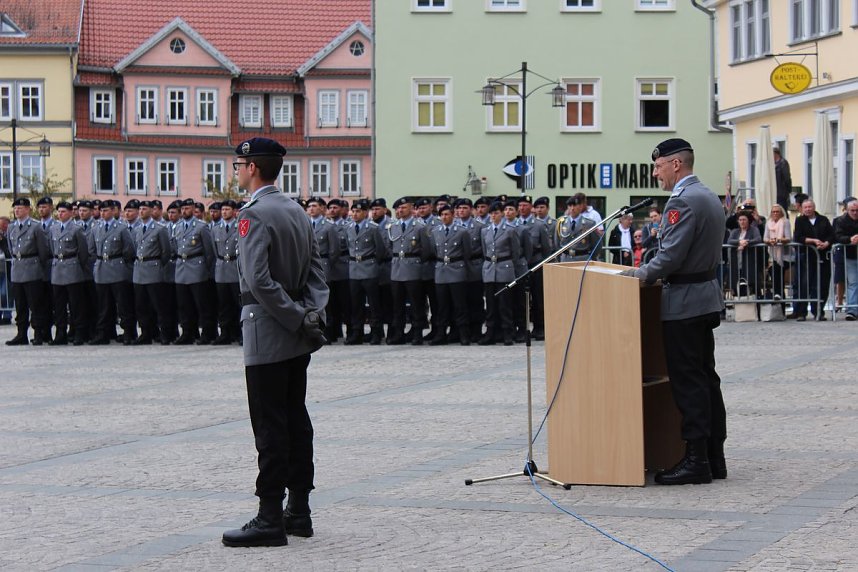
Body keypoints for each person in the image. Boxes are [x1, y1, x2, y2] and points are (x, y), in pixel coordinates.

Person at [222, 137, 328, 548]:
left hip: (267, 331)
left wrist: (292, 316)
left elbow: (259, 281)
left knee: (269, 424)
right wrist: (308, 316)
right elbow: (317, 273)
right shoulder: (296, 211)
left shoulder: (254, 215)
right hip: (297, 333)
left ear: (251, 168)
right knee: (296, 420)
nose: (236, 171)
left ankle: (269, 516)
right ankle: (298, 511)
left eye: (239, 165)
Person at [621, 138, 726, 485]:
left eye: (658, 166)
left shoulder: (683, 201)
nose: (655, 174)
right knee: (706, 378)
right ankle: (713, 455)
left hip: (683, 303)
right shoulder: (709, 196)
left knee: (688, 381)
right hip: (704, 298)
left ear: (676, 164)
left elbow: (670, 257)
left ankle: (696, 460)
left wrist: (639, 274)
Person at [6, 198, 51, 345]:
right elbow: (10, 247)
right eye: (15, 208)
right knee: (20, 305)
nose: (17, 211)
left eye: (20, 208)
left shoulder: (36, 227)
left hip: (32, 267)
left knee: (35, 304)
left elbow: (43, 250)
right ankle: (21, 334)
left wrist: (39, 266)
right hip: (17, 268)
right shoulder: (11, 227)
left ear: (27, 209)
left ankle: (39, 333)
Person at [49, 202, 91, 345]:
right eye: (59, 212)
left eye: (63, 212)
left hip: (72, 267)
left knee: (76, 304)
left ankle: (79, 332)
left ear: (70, 213)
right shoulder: (53, 228)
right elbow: (51, 247)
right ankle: (60, 333)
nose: (60, 214)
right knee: (59, 305)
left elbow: (83, 252)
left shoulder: (76, 229)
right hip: (57, 268)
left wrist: (77, 264)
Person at [793, 199, 834, 321]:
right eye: (805, 207)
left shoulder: (823, 220)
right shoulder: (800, 220)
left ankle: (818, 311)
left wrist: (826, 243)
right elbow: (798, 237)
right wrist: (813, 241)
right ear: (802, 208)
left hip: (822, 256)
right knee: (804, 284)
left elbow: (832, 235)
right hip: (806, 256)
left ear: (814, 207)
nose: (808, 209)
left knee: (822, 285)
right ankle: (802, 312)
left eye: (810, 207)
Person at [727, 211, 763, 296]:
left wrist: (747, 243)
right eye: (740, 220)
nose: (742, 222)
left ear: (748, 221)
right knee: (737, 284)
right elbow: (729, 241)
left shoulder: (754, 229)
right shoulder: (735, 231)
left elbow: (758, 239)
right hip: (737, 261)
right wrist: (739, 242)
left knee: (752, 286)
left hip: (749, 262)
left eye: (744, 220)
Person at [833, 198, 858, 320]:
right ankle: (852, 309)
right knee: (852, 283)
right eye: (852, 210)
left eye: (857, 210)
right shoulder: (841, 221)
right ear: (847, 210)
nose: (855, 213)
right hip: (850, 255)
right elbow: (837, 236)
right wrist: (849, 240)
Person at [763, 204, 793, 302]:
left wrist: (779, 240)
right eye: (773, 212)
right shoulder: (768, 223)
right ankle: (778, 295)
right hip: (773, 254)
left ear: (781, 213)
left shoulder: (785, 222)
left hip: (785, 255)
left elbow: (788, 238)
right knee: (774, 272)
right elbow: (765, 238)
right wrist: (769, 241)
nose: (775, 213)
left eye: (777, 211)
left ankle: (778, 294)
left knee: (776, 271)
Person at [773, 147, 792, 212]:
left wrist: (788, 190)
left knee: (782, 209)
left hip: (781, 192)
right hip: (777, 191)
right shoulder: (774, 164)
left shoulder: (783, 163)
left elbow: (787, 177)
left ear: (775, 154)